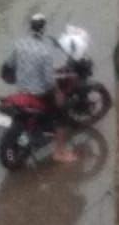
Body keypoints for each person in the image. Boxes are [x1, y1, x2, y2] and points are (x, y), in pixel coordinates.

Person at [8, 12, 77, 163]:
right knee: (61, 115)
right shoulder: (45, 52)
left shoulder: (19, 44)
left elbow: (11, 65)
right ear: (43, 28)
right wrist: (58, 93)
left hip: (21, 89)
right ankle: (60, 153)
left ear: (30, 27)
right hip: (39, 93)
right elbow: (48, 80)